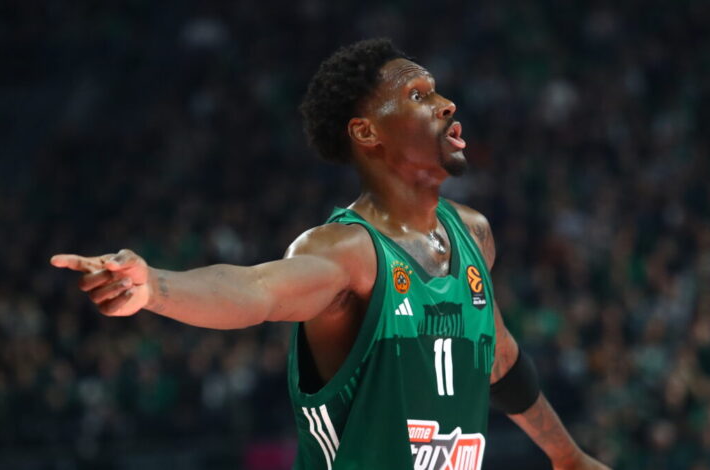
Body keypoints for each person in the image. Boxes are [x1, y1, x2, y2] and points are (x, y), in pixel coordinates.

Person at [51, 38, 610, 470]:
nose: (446, 104)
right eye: (418, 95)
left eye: (437, 91)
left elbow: (500, 359)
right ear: (367, 133)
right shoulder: (347, 252)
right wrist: (155, 287)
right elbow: (256, 289)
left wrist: (567, 456)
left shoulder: (474, 236)